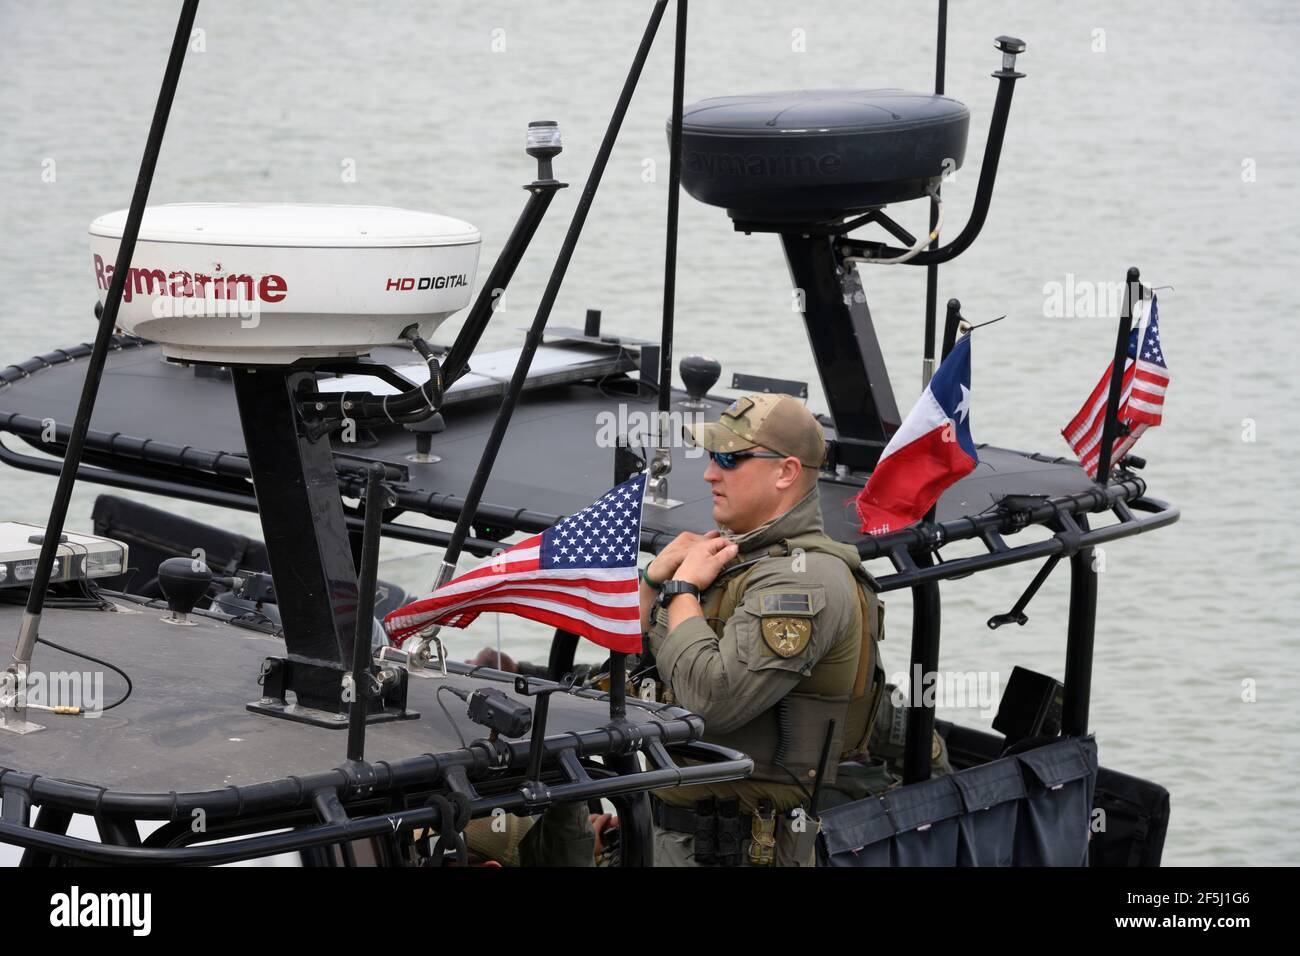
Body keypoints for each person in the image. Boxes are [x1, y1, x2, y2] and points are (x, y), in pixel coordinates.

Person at [639, 392, 889, 867]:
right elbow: (644, 668)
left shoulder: (803, 580)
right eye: (712, 457)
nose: (711, 473)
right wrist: (653, 584)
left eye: (730, 459)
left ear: (786, 472)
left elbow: (712, 700)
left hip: (736, 849)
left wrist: (682, 591)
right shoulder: (740, 563)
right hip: (673, 831)